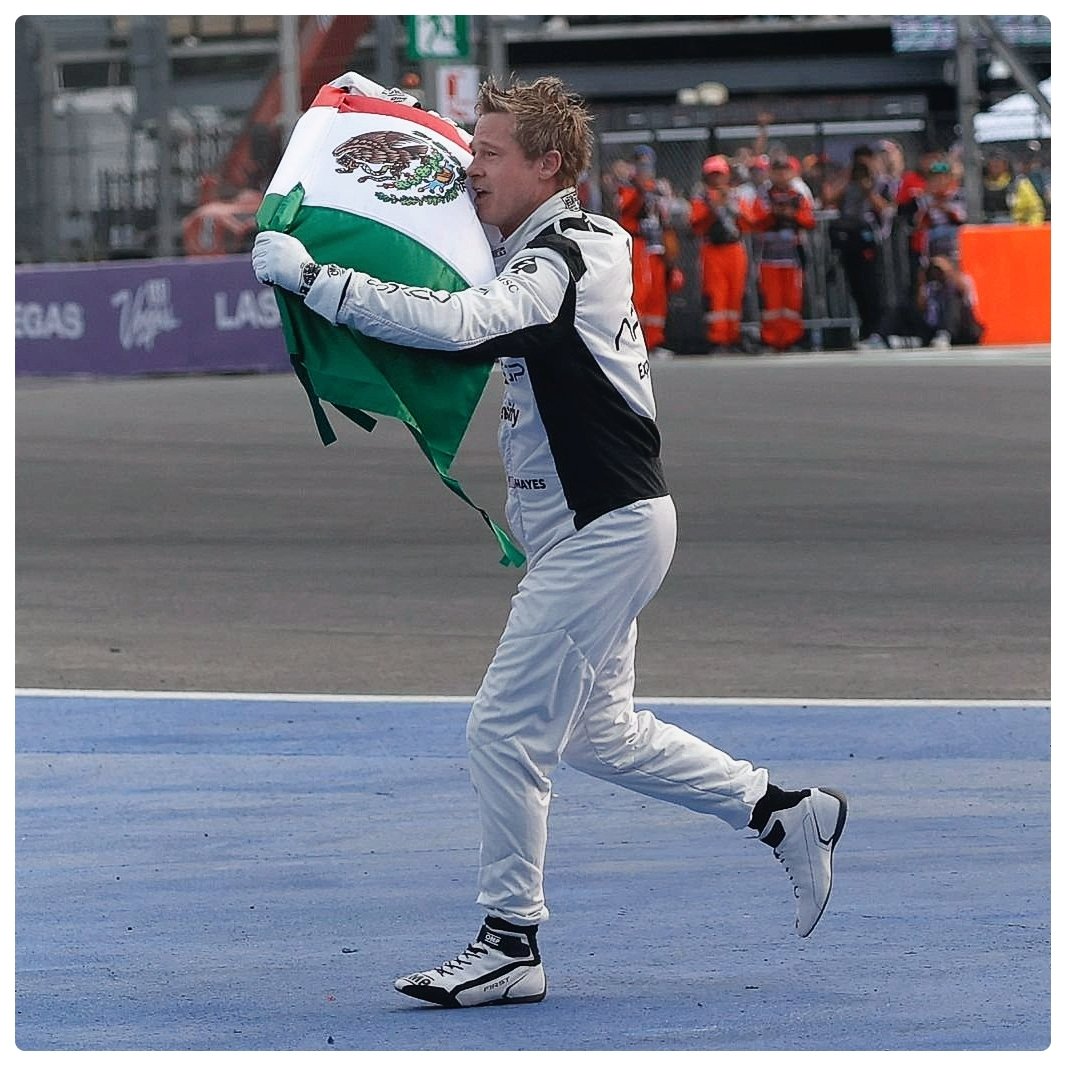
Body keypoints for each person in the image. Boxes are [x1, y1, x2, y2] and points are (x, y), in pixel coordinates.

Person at [252, 74, 847, 1010]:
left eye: (489, 156)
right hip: (593, 531)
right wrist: (390, 113)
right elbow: (449, 209)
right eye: (472, 149)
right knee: (598, 734)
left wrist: (317, 281)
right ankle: (782, 812)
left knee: (502, 730)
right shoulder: (530, 240)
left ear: (551, 167)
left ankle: (510, 942)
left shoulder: (578, 248)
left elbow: (462, 325)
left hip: (605, 531)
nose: (470, 171)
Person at [745, 155, 816, 352]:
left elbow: (809, 220)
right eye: (777, 170)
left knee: (792, 301)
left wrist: (791, 214)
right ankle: (771, 338)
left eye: (785, 170)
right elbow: (755, 220)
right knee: (772, 301)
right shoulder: (764, 195)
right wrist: (774, 214)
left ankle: (791, 338)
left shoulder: (798, 195)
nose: (781, 174)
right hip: (768, 257)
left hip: (793, 257)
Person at [615, 144, 679, 356]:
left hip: (656, 246)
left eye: (648, 163)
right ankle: (635, 342)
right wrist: (641, 190)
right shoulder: (627, 188)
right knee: (639, 292)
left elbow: (668, 215)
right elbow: (625, 210)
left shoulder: (659, 187)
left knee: (657, 294)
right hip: (637, 243)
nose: (645, 168)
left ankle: (653, 340)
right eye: (640, 163)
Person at [689, 154, 749, 352]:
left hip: (734, 249)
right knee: (716, 294)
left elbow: (750, 220)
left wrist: (732, 205)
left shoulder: (736, 195)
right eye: (712, 175)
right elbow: (696, 224)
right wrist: (713, 208)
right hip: (713, 250)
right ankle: (718, 337)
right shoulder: (702, 197)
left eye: (720, 174)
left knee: (735, 293)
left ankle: (733, 336)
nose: (716, 179)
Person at [829, 159, 890, 345]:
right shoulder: (847, 186)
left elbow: (884, 208)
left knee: (871, 287)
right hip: (849, 240)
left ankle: (877, 330)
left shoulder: (877, 186)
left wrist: (868, 188)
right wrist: (847, 179)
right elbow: (830, 199)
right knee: (856, 287)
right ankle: (865, 329)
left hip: (867, 239)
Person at [982, 148, 1046, 225]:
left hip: (1015, 230)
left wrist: (1030, 230)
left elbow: (1036, 209)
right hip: (986, 231)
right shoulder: (979, 185)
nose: (996, 164)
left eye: (999, 161)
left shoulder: (1019, 183)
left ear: (1006, 164)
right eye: (992, 161)